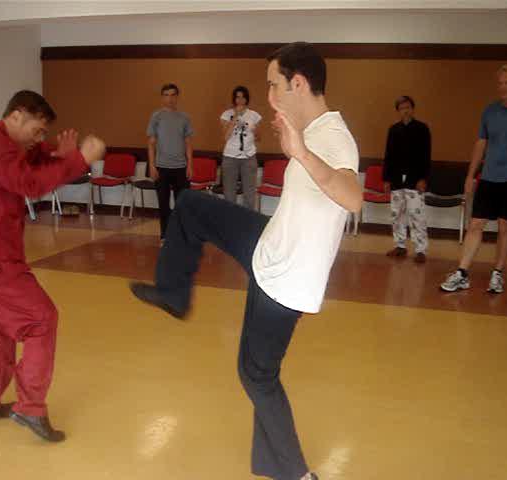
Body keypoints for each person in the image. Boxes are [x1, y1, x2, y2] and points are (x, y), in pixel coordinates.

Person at [130, 42, 362, 480]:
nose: (270, 96)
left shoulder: (333, 138)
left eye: (274, 85)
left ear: (298, 83)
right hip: (269, 244)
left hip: (287, 278)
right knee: (194, 206)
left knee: (257, 375)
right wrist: (297, 146)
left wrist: (303, 154)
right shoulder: (310, 127)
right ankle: (173, 293)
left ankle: (296, 473)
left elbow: (351, 196)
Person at [0, 90, 106, 442]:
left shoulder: (4, 147)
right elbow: (31, 183)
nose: (41, 138)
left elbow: (31, 167)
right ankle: (30, 407)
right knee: (41, 319)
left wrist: (58, 156)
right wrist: (81, 159)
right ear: (18, 115)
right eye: (38, 130)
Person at [441, 65, 507, 293]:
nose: (503, 87)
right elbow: (481, 144)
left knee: (506, 226)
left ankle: (498, 273)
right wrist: (470, 174)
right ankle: (462, 273)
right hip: (489, 176)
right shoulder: (490, 111)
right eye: (500, 83)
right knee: (476, 224)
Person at [383, 95, 431, 263]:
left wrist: (423, 178)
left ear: (413, 108)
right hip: (396, 178)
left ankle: (421, 250)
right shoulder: (393, 130)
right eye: (402, 108)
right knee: (397, 214)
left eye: (408, 107)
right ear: (398, 111)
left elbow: (426, 156)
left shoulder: (422, 129)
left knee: (416, 214)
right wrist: (387, 179)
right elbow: (388, 155)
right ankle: (400, 245)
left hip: (415, 178)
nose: (405, 110)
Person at [147, 83, 194, 242]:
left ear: (177, 97)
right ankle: (165, 236)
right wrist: (152, 166)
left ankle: (181, 236)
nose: (170, 98)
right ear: (162, 97)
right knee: (163, 205)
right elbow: (151, 143)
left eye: (173, 95)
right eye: (166, 95)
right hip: (161, 168)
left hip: (181, 167)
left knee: (183, 205)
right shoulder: (156, 117)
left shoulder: (184, 118)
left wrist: (190, 165)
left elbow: (188, 143)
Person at [220, 85, 262, 209]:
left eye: (243, 97)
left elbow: (259, 138)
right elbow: (225, 137)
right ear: (234, 99)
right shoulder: (226, 115)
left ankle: (247, 222)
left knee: (249, 195)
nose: (240, 100)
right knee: (229, 194)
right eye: (237, 97)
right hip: (230, 157)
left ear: (246, 99)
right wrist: (235, 117)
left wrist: (255, 130)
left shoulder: (254, 115)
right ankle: (230, 223)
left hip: (248, 157)